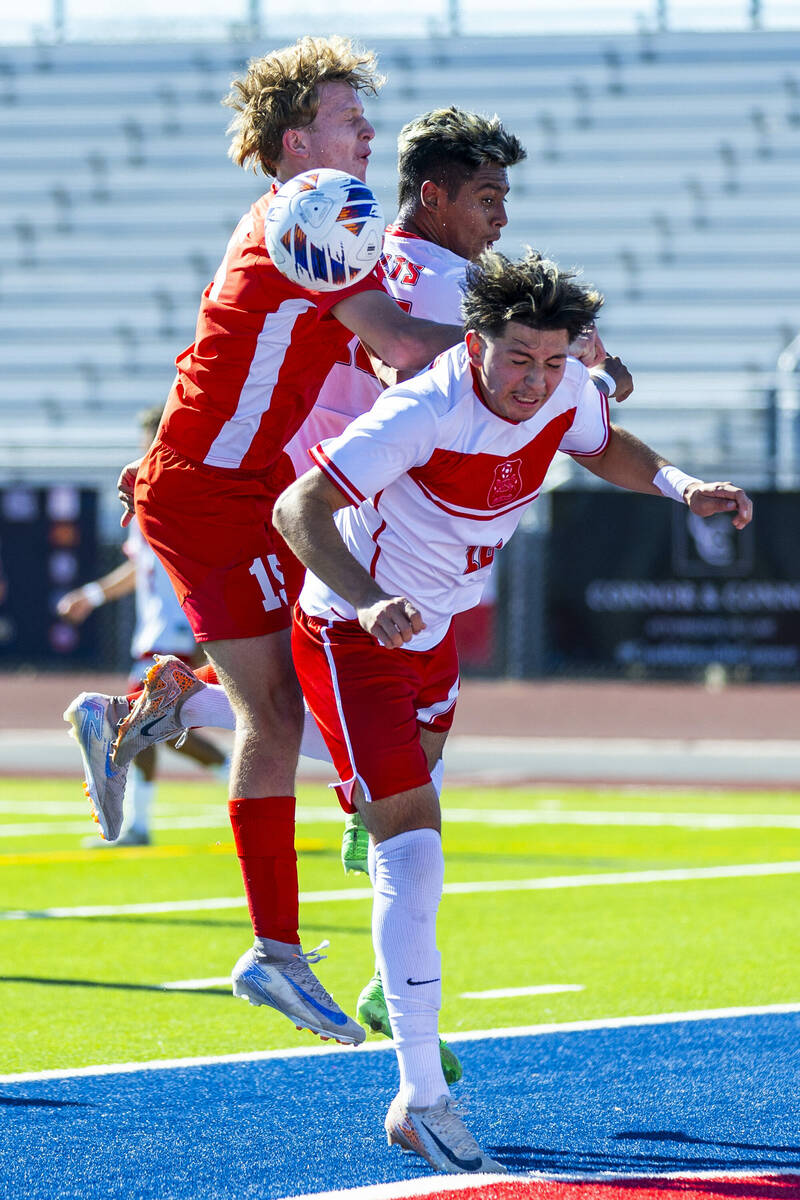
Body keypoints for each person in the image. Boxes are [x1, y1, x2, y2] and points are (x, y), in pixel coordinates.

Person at [270, 248, 752, 1174]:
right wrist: (368, 597)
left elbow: (601, 441)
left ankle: (195, 715)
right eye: (518, 358)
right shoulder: (422, 408)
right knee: (414, 854)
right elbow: (301, 511)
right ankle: (420, 1095)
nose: (536, 381)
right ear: (478, 339)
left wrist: (680, 485)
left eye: (552, 361)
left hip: (433, 635)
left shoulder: (566, 387)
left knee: (399, 829)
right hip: (353, 634)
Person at [68, 35, 469, 1048]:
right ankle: (273, 952)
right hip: (214, 492)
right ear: (298, 137)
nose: (367, 130)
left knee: (323, 648)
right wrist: (541, 352)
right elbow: (409, 346)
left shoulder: (315, 219)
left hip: (236, 485)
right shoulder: (308, 210)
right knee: (279, 710)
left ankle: (135, 713)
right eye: (346, 116)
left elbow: (350, 347)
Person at [61, 408, 229, 846]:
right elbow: (139, 567)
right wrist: (93, 595)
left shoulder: (180, 489)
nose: (145, 446)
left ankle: (142, 822)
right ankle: (223, 785)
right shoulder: (145, 490)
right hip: (156, 630)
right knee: (155, 727)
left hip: (172, 630)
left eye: (150, 437)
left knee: (136, 723)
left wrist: (199, 624)